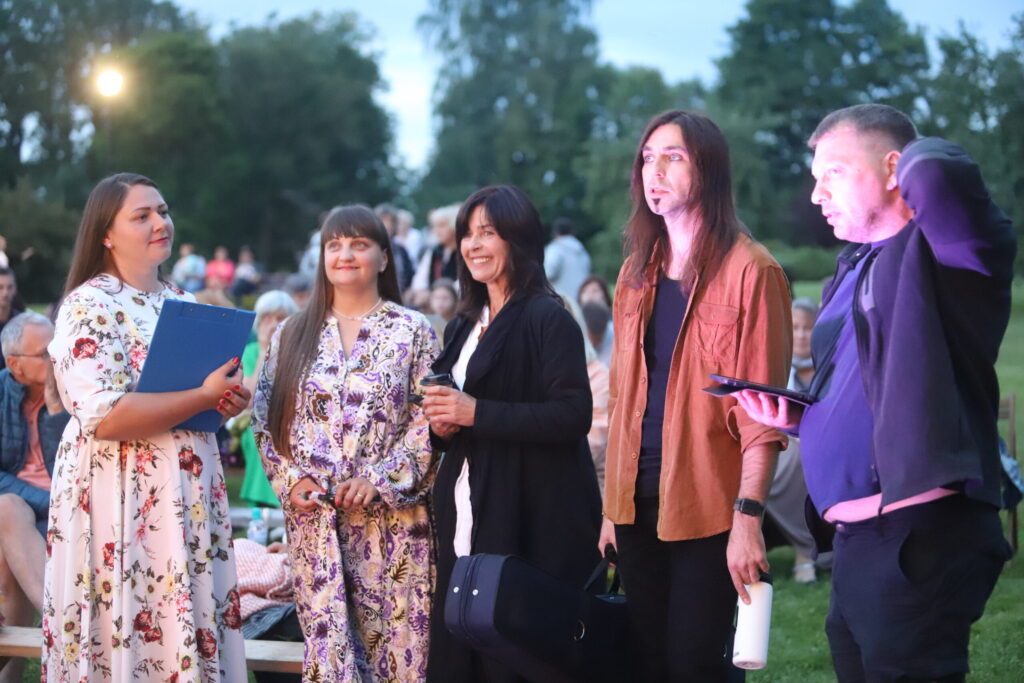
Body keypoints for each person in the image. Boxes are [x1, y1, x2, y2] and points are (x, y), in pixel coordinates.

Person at [736, 104, 1016, 682]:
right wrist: (800, 418)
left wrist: (904, 158)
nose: (818, 195)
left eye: (833, 173)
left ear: (893, 169)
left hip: (920, 540)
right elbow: (866, 386)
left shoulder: (947, 255)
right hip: (857, 545)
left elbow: (940, 171)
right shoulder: (852, 268)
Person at [599, 110, 792, 682]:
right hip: (635, 502)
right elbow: (621, 396)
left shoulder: (753, 272)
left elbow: (763, 416)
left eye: (673, 157)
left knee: (695, 663)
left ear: (707, 169)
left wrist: (748, 518)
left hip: (709, 505)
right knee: (646, 660)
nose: (653, 170)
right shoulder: (636, 272)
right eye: (647, 157)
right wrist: (612, 508)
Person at [42, 173, 250, 681]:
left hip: (185, 485)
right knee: (126, 618)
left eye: (162, 210)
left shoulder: (185, 303)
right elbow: (103, 416)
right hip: (118, 492)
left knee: (183, 613)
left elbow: (195, 400)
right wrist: (199, 395)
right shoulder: (88, 305)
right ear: (106, 234)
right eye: (142, 215)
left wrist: (222, 399)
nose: (161, 222)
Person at [422, 185, 601, 683]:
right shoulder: (463, 324)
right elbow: (454, 411)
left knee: (514, 647)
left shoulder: (549, 317)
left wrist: (476, 412)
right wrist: (442, 424)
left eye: (489, 233)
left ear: (518, 241)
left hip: (531, 512)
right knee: (462, 642)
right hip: (465, 505)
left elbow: (572, 415)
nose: (474, 245)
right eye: (468, 234)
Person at [253, 205, 438, 681]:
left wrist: (380, 479)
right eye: (334, 245)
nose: (345, 254)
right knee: (332, 661)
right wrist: (292, 480)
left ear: (383, 258)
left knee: (398, 659)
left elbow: (431, 423)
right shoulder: (292, 333)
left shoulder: (412, 330)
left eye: (359, 243)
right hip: (318, 530)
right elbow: (264, 419)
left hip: (393, 531)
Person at [0, 312, 70, 683]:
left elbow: (75, 475)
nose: (56, 359)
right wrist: (47, 501)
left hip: (70, 514)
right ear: (15, 365)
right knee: (7, 507)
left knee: (6, 552)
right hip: (28, 511)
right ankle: (61, 621)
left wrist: (57, 410)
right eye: (45, 353)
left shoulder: (75, 394)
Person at [763, 297, 821, 583]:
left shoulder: (829, 367)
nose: (800, 334)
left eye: (807, 328)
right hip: (782, 445)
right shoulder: (776, 366)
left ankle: (805, 550)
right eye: (795, 327)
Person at [239, 290, 298, 508]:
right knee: (260, 433)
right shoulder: (251, 352)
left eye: (280, 318)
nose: (273, 324)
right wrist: (265, 349)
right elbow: (247, 399)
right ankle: (263, 505)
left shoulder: (298, 353)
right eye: (267, 318)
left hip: (293, 420)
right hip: (256, 420)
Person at [410, 204, 460, 308]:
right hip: (434, 306)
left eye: (442, 226)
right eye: (435, 226)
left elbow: (464, 284)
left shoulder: (464, 251)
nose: (437, 231)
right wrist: (423, 292)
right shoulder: (434, 251)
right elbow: (420, 279)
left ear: (454, 226)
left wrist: (443, 295)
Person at [544, 216, 591, 300]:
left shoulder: (555, 248)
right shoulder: (581, 249)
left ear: (555, 232)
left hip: (561, 299)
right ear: (572, 231)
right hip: (580, 298)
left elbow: (549, 272)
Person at [375, 203, 415, 293]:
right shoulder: (368, 249)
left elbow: (409, 276)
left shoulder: (401, 250)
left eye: (391, 221)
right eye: (383, 220)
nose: (388, 225)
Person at [578, 275, 613, 365]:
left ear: (605, 297)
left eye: (595, 291)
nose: (590, 295)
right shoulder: (576, 330)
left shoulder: (615, 332)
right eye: (585, 291)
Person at [0, 268, 25, 371]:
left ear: (15, 289)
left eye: (9, 287)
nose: (5, 293)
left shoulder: (22, 323)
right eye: (0, 288)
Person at [425, 277, 458, 342]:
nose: (440, 302)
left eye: (445, 298)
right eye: (437, 298)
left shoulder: (459, 324)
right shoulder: (425, 323)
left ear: (455, 300)